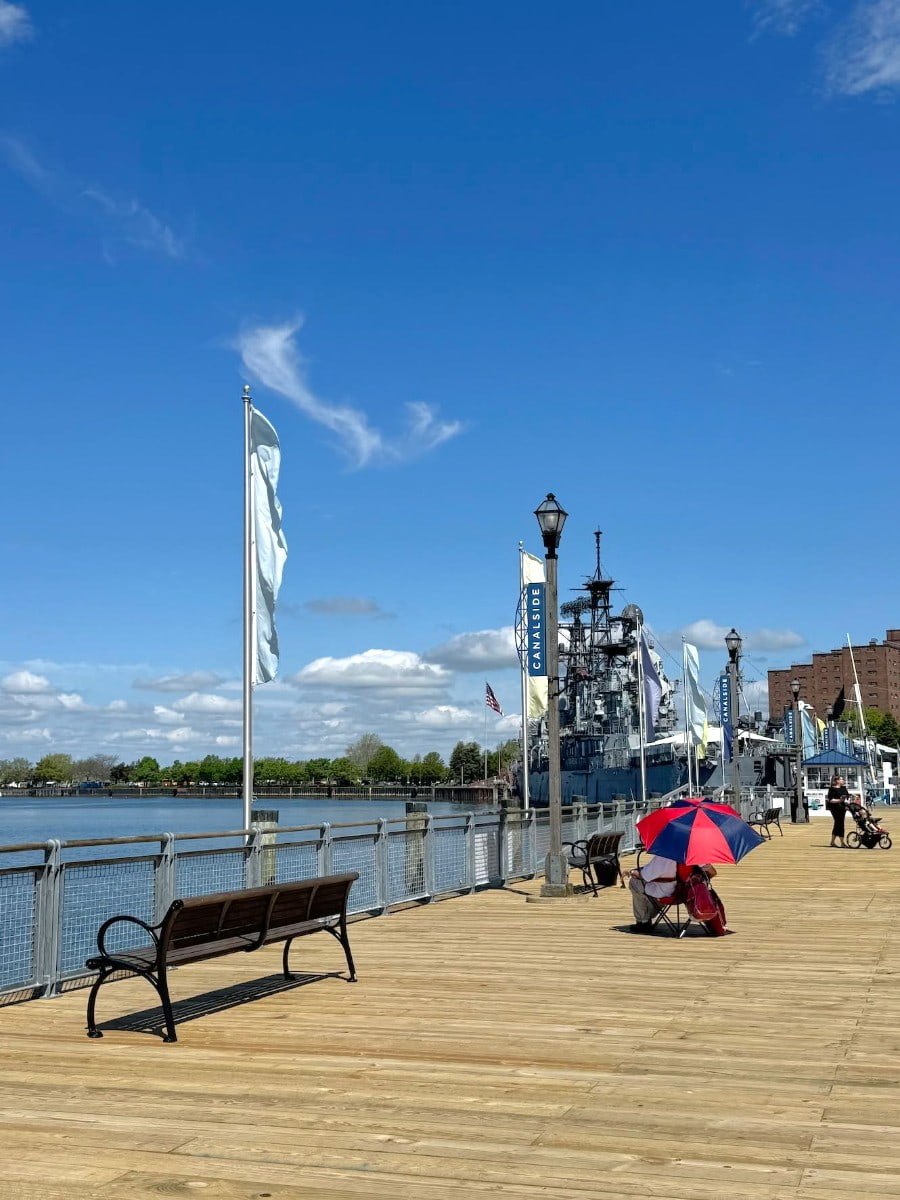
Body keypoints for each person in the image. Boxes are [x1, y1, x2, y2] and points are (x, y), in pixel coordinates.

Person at [826, 774, 850, 847]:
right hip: (834, 808)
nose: (843, 780)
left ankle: (833, 842)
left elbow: (847, 795)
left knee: (838, 824)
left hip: (842, 808)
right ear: (837, 781)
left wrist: (846, 797)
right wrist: (839, 800)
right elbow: (831, 800)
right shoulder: (832, 789)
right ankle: (842, 842)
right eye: (841, 779)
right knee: (839, 823)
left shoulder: (843, 788)